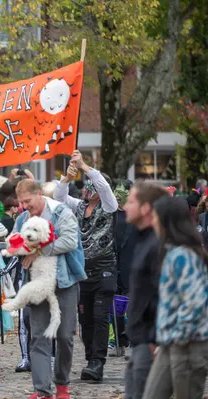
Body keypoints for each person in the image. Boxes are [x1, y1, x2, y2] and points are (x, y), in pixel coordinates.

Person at [14, 179, 86, 399]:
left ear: (38, 194)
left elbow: (70, 241)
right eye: (22, 202)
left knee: (64, 337)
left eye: (28, 201)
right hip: (38, 285)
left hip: (64, 283)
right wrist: (22, 249)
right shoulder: (22, 219)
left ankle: (62, 384)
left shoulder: (60, 212)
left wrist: (40, 250)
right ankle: (42, 390)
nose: (25, 206)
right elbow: (17, 245)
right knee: (39, 338)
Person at [54, 150, 118, 382]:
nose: (88, 188)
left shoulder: (109, 206)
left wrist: (84, 165)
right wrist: (67, 177)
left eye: (92, 185)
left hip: (105, 269)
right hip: (83, 271)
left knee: (101, 316)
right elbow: (59, 198)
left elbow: (102, 185)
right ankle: (91, 357)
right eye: (86, 184)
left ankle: (97, 362)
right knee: (86, 319)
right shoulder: (79, 207)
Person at [142, 196, 208, 398]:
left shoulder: (183, 256)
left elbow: (195, 303)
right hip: (171, 343)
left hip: (189, 345)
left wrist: (177, 338)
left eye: (154, 217)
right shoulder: (169, 252)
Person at [122, 181, 169, 399]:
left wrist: (153, 339)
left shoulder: (157, 245)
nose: (125, 206)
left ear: (146, 208)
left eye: (131, 201)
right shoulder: (142, 239)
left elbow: (163, 294)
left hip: (149, 342)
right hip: (139, 339)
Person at [108, 180, 135, 357]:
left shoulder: (136, 215)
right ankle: (119, 342)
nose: (118, 198)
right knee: (116, 305)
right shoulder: (110, 214)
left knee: (133, 305)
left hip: (132, 266)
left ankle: (133, 342)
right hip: (114, 265)